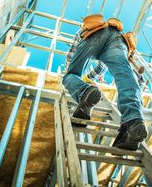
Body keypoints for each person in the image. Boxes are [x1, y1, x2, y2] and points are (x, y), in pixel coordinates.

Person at [63, 15, 147, 150]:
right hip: (119, 40)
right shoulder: (114, 36)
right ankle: (133, 120)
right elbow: (102, 67)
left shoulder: (88, 29)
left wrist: (82, 79)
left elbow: (70, 57)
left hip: (95, 32)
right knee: (124, 75)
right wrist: (91, 77)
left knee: (70, 75)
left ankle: (84, 92)